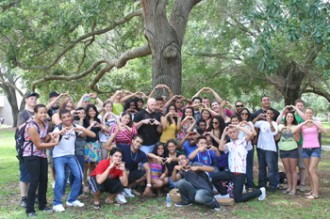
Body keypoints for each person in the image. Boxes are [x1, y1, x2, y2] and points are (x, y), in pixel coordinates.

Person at [52, 109, 96, 212]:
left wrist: (82, 129)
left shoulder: (76, 127)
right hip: (59, 156)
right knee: (61, 178)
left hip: (71, 156)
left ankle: (72, 199)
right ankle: (56, 203)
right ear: (61, 119)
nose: (67, 118)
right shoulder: (57, 128)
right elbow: (55, 143)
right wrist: (60, 133)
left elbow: (93, 135)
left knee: (79, 176)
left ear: (71, 117)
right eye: (64, 117)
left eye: (68, 116)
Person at [22, 104, 59, 217]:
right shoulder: (31, 126)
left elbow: (44, 139)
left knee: (44, 180)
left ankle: (42, 205)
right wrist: (55, 143)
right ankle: (30, 209)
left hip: (42, 155)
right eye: (41, 112)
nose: (43, 114)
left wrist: (50, 136)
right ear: (35, 113)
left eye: (45, 112)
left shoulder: (45, 123)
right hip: (31, 155)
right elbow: (38, 144)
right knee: (34, 181)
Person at [212, 125, 266, 203]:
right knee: (214, 177)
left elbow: (251, 134)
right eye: (230, 133)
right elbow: (221, 148)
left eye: (234, 132)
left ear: (237, 132)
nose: (232, 134)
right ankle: (224, 193)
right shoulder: (229, 145)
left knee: (238, 199)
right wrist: (224, 133)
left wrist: (238, 127)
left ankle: (260, 191)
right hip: (230, 173)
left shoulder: (243, 141)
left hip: (239, 174)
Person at [292, 108, 328, 199]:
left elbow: (325, 131)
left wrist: (314, 122)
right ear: (305, 114)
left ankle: (316, 193)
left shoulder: (316, 123)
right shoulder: (303, 125)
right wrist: (304, 123)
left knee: (312, 170)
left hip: (315, 148)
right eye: (307, 113)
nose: (308, 114)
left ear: (312, 114)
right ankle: (312, 190)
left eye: (310, 113)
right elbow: (293, 131)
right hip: (305, 149)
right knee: (308, 171)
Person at [16, 91, 39, 208]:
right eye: (31, 98)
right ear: (26, 100)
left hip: (38, 147)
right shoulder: (23, 113)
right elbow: (19, 127)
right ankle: (24, 198)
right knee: (25, 174)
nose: (34, 100)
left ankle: (35, 196)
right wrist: (32, 119)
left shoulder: (39, 112)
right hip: (25, 148)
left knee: (36, 173)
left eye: (35, 99)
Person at [275, 109, 300, 195]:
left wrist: (292, 131)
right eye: (288, 116)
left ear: (293, 118)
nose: (289, 118)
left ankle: (294, 188)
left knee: (293, 170)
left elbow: (298, 139)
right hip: (283, 150)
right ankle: (289, 187)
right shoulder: (281, 125)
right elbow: (277, 138)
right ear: (285, 117)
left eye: (291, 117)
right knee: (287, 170)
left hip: (292, 150)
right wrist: (280, 131)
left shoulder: (295, 126)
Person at [254, 109, 279, 192]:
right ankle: (262, 185)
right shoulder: (261, 123)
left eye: (270, 113)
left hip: (270, 148)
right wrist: (258, 117)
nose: (268, 115)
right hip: (260, 147)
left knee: (271, 168)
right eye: (267, 113)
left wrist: (270, 122)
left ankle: (273, 185)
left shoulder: (275, 123)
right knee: (261, 168)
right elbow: (252, 123)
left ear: (273, 115)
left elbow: (274, 132)